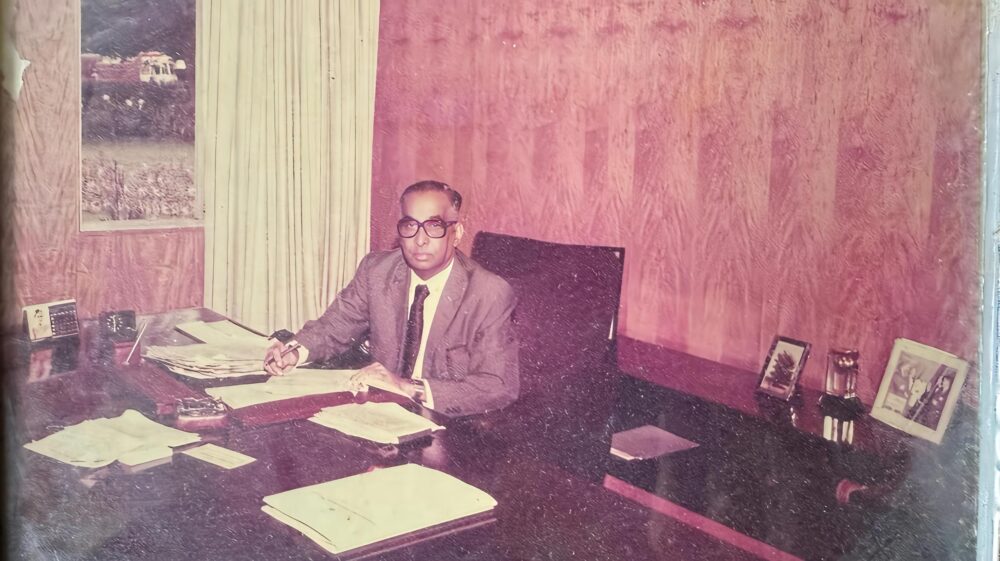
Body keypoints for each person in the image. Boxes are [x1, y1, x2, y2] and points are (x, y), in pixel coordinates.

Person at [263, 180, 520, 418]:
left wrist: (408, 387)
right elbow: (335, 327)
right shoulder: (377, 270)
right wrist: (294, 352)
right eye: (410, 226)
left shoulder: (489, 293)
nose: (420, 240)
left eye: (434, 226)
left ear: (457, 232)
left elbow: (497, 386)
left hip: (446, 421)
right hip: (379, 413)